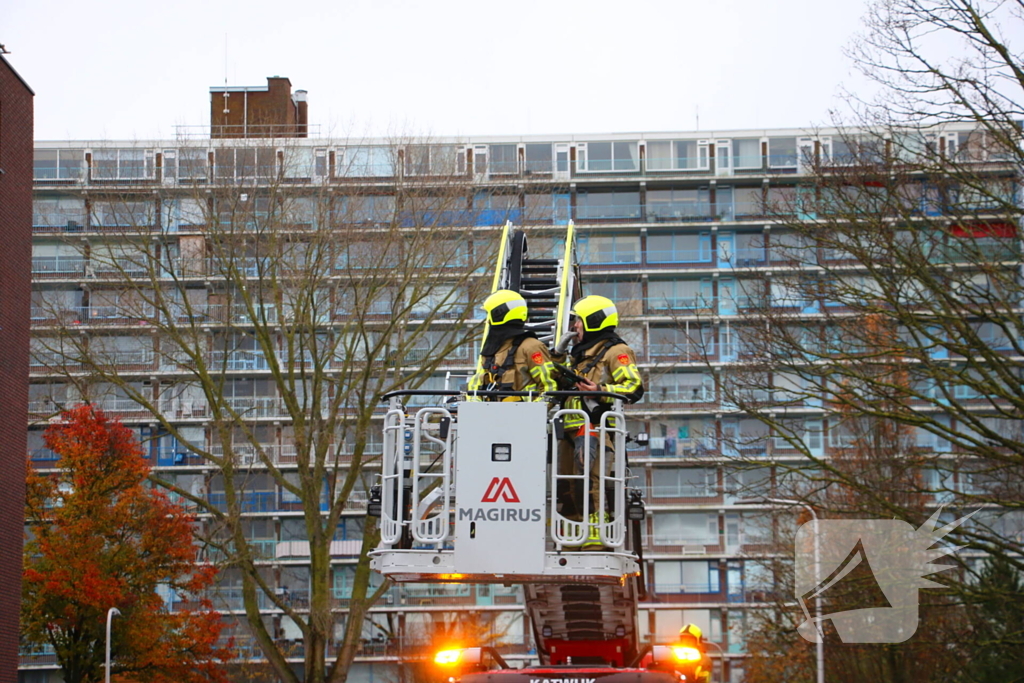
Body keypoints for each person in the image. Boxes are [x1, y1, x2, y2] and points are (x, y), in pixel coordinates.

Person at [559, 295, 644, 549]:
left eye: (579, 321)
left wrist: (600, 389)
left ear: (594, 322)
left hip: (595, 427)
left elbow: (633, 387)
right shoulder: (581, 354)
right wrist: (558, 352)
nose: (575, 326)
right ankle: (576, 532)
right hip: (571, 427)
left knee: (592, 479)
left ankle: (595, 534)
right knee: (568, 481)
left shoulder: (617, 352)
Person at [467, 289, 558, 400]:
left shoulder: (531, 347)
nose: (487, 321)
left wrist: (534, 413)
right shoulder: (491, 349)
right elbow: (477, 383)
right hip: (489, 415)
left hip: (523, 415)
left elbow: (549, 388)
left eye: (489, 315)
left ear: (499, 314)